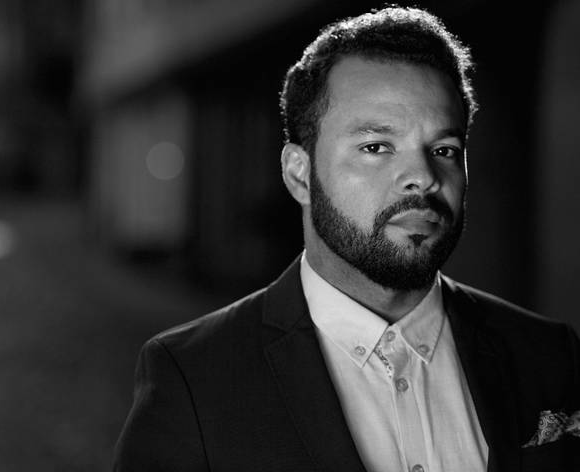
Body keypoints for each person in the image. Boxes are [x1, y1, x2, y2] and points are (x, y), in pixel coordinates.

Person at [113, 7, 580, 472]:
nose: (422, 176)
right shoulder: (192, 376)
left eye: (444, 150)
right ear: (299, 174)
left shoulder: (548, 354)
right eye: (376, 147)